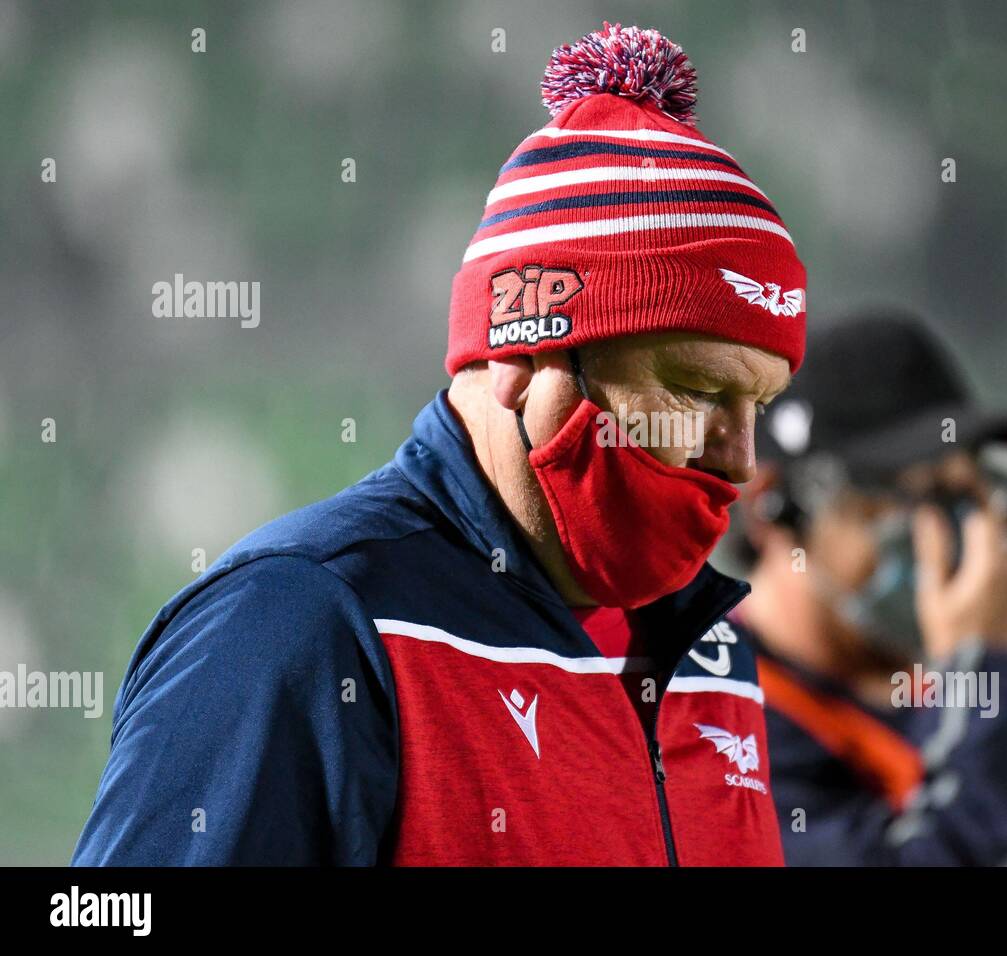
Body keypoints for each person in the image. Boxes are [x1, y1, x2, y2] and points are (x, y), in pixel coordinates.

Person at [72, 24, 806, 866]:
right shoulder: (298, 628)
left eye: (761, 403)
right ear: (524, 353)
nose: (740, 460)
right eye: (698, 390)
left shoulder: (713, 652)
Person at [731, 313, 1007, 865]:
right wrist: (998, 672)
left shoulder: (934, 697)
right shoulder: (704, 717)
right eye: (901, 501)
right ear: (772, 506)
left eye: (961, 498)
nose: (941, 538)